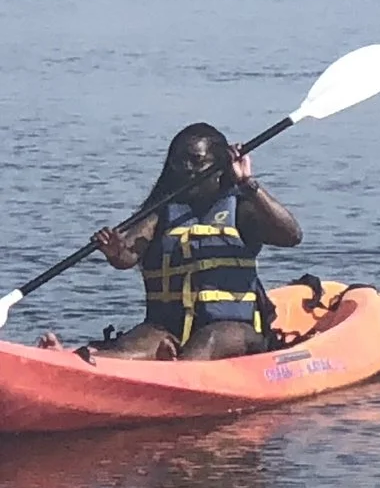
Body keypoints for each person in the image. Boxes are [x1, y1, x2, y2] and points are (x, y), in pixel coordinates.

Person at [40, 123, 302, 362]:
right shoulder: (161, 212)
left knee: (209, 339)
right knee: (125, 350)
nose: (186, 169)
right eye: (178, 162)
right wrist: (115, 250)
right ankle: (67, 361)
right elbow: (127, 257)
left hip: (232, 328)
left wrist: (247, 183)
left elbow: (291, 236)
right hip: (166, 326)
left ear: (220, 167)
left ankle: (178, 367)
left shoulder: (242, 207)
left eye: (196, 161)